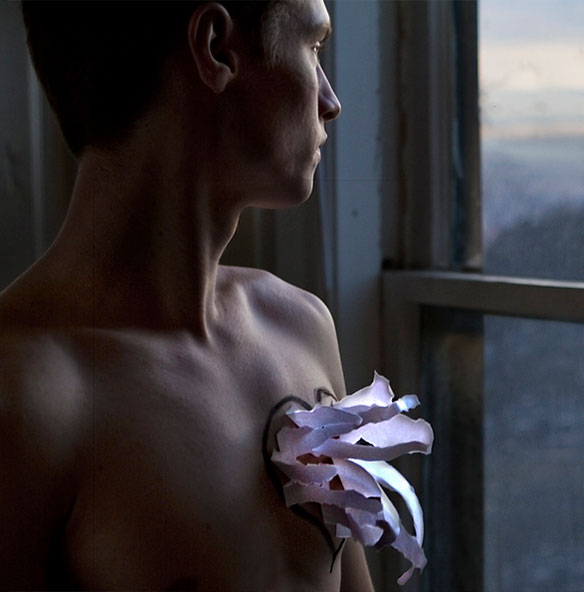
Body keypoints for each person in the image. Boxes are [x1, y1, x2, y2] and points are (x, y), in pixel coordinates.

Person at [0, 1, 375, 589]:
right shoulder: (24, 394)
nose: (331, 100)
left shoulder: (301, 328)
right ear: (217, 49)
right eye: (314, 47)